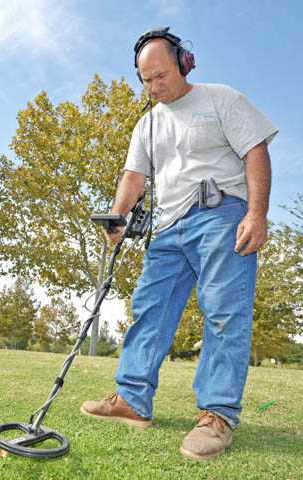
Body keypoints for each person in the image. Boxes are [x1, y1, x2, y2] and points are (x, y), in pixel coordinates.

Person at [80, 27, 278, 461]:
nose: (154, 87)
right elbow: (134, 176)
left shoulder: (220, 99)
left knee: (224, 312)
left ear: (184, 63)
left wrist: (256, 214)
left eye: (161, 76)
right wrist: (119, 215)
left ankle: (217, 414)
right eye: (145, 80)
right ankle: (132, 400)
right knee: (149, 310)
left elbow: (255, 152)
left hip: (221, 215)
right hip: (168, 229)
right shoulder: (147, 124)